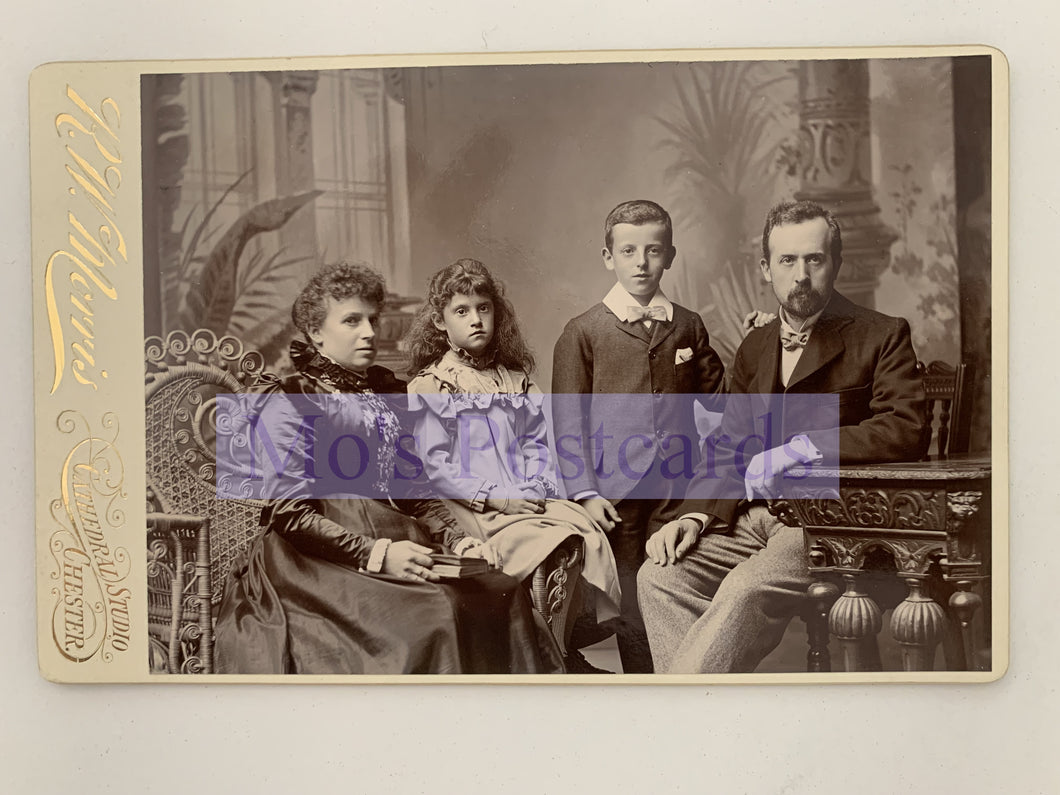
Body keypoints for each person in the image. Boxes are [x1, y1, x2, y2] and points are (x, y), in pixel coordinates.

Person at [214, 263, 563, 675]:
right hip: (314, 560)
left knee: (500, 592)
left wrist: (459, 542)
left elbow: (415, 490)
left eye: (372, 320)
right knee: (435, 615)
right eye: (351, 321)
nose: (369, 332)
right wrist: (377, 555)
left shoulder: (386, 391)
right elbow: (289, 513)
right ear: (315, 332)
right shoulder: (291, 397)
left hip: (395, 536)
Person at [637, 200, 929, 673]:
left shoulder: (882, 335)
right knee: (660, 577)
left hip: (828, 524)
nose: (801, 275)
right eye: (787, 261)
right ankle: (700, 718)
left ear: (835, 263)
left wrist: (805, 449)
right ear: (766, 268)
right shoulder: (755, 345)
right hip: (752, 519)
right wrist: (693, 516)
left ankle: (676, 719)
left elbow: (905, 427)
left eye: (814, 259)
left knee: (745, 588)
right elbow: (729, 444)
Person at [404, 259, 622, 672]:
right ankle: (543, 650)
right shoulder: (432, 385)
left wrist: (537, 486)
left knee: (582, 526)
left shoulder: (515, 380)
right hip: (473, 507)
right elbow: (436, 467)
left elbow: (538, 445)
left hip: (523, 495)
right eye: (462, 311)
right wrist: (501, 501)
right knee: (554, 538)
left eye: (483, 308)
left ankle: (558, 642)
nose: (476, 321)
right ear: (439, 320)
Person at [551, 199, 726, 673]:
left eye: (653, 251)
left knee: (672, 579)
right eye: (628, 251)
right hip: (617, 491)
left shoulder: (687, 324)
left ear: (670, 256)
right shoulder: (582, 332)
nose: (641, 263)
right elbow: (568, 423)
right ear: (609, 257)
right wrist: (585, 492)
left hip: (677, 485)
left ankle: (685, 676)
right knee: (630, 598)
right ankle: (645, 692)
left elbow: (717, 400)